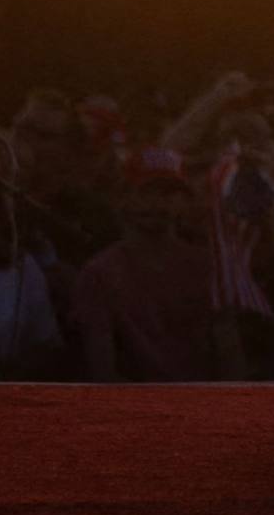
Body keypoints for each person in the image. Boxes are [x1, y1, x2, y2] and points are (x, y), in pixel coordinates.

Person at [71, 156, 240, 382]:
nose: (157, 204)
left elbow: (228, 349)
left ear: (182, 201)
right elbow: (101, 364)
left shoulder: (208, 266)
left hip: (202, 402)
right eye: (145, 192)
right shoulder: (99, 273)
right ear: (122, 198)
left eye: (168, 194)